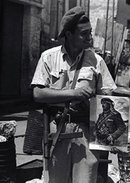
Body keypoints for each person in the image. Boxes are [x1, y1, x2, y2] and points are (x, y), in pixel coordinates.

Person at [31, 6, 116, 183]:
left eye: (90, 32)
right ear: (69, 35)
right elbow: (38, 93)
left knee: (86, 180)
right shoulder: (48, 57)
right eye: (84, 34)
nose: (89, 37)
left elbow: (110, 97)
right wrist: (74, 93)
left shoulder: (96, 60)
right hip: (56, 129)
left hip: (86, 131)